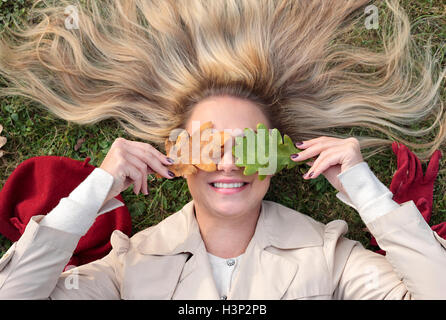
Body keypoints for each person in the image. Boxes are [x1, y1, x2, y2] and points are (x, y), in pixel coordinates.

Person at [0, 0, 445, 299]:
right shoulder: (127, 265)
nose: (229, 162)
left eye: (249, 146)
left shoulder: (332, 256)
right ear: (176, 156)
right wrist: (97, 186)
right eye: (209, 145)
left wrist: (364, 188)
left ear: (276, 158)